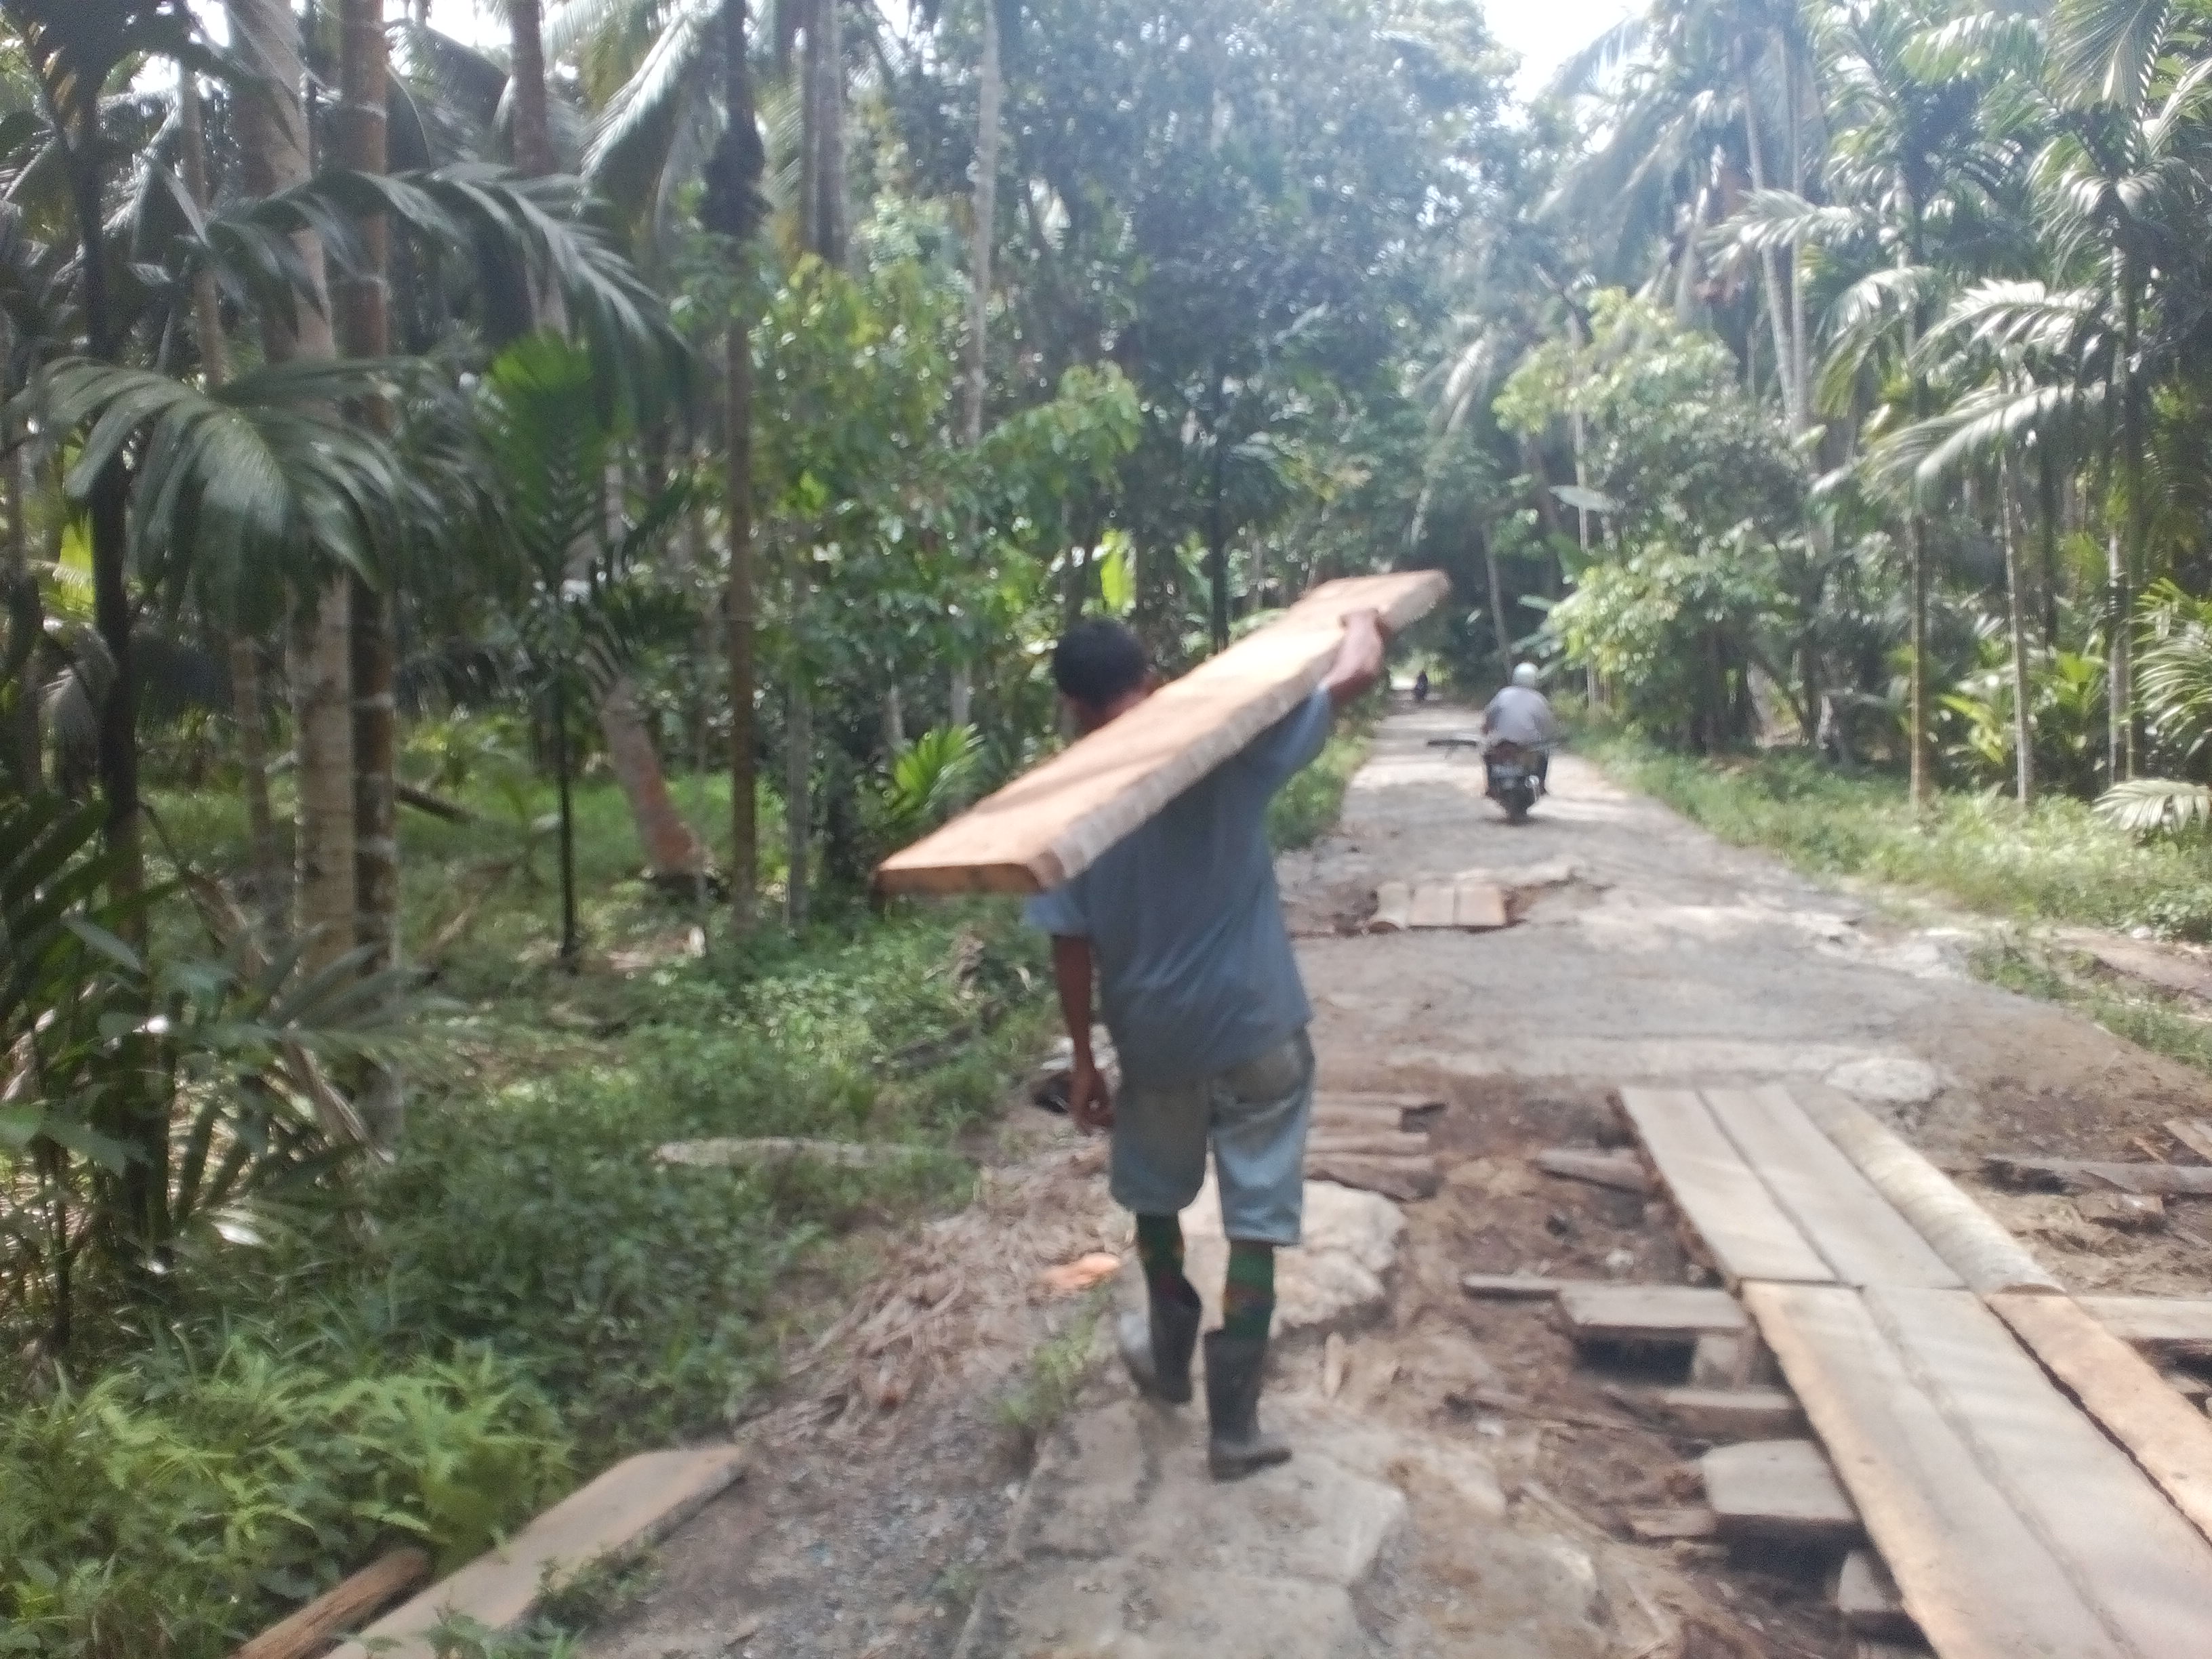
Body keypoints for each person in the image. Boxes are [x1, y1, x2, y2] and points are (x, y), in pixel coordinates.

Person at [1028, 610, 1387, 1479]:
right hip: (1258, 1024)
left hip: (1154, 1043)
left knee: (1156, 1199)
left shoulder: (1065, 796)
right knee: (1257, 1220)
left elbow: (1069, 947)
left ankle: (1166, 1353)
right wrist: (1359, 620)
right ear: (1149, 672)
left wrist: (1084, 1058)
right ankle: (1235, 1426)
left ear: (1072, 705)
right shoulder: (1221, 751)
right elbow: (1354, 672)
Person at [1482, 661, 1559, 792]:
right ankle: (1541, 783)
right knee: (1544, 753)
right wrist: (1550, 735)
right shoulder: (1538, 699)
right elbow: (1548, 725)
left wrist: (1487, 730)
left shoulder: (1503, 694)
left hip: (1501, 743)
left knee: (1488, 754)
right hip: (1528, 746)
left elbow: (1489, 717)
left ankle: (1491, 785)